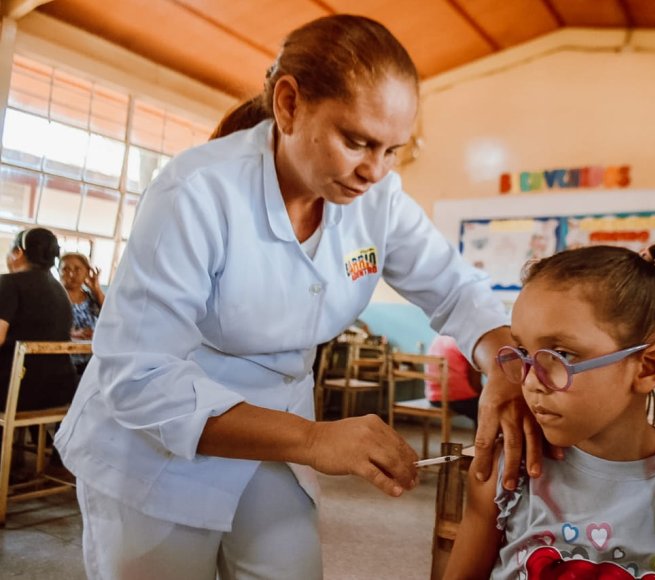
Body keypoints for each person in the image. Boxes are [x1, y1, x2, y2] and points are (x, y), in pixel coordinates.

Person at [55, 14, 530, 579]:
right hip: (158, 440)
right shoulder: (198, 192)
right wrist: (311, 438)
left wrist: (503, 361)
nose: (372, 171)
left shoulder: (378, 199)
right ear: (288, 105)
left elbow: (456, 289)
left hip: (275, 438)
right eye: (355, 141)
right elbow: (139, 376)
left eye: (392, 150)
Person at [445, 245, 655, 579]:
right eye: (522, 351)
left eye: (561, 354)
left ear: (647, 367)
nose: (529, 382)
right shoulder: (507, 472)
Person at [0, 228, 78, 412]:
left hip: (16, 392)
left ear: (18, 252)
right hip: (58, 391)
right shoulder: (61, 291)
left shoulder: (8, 282)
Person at [58, 252, 103, 374]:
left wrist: (96, 289)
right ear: (58, 272)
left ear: (87, 272)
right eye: (65, 269)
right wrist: (71, 334)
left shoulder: (93, 299)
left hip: (91, 365)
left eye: (78, 269)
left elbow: (113, 317)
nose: (71, 274)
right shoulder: (53, 298)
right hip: (60, 363)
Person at [425, 334, 482, 428]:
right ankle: (488, 441)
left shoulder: (438, 338)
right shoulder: (465, 342)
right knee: (489, 407)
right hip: (456, 399)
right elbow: (475, 382)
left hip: (433, 397)